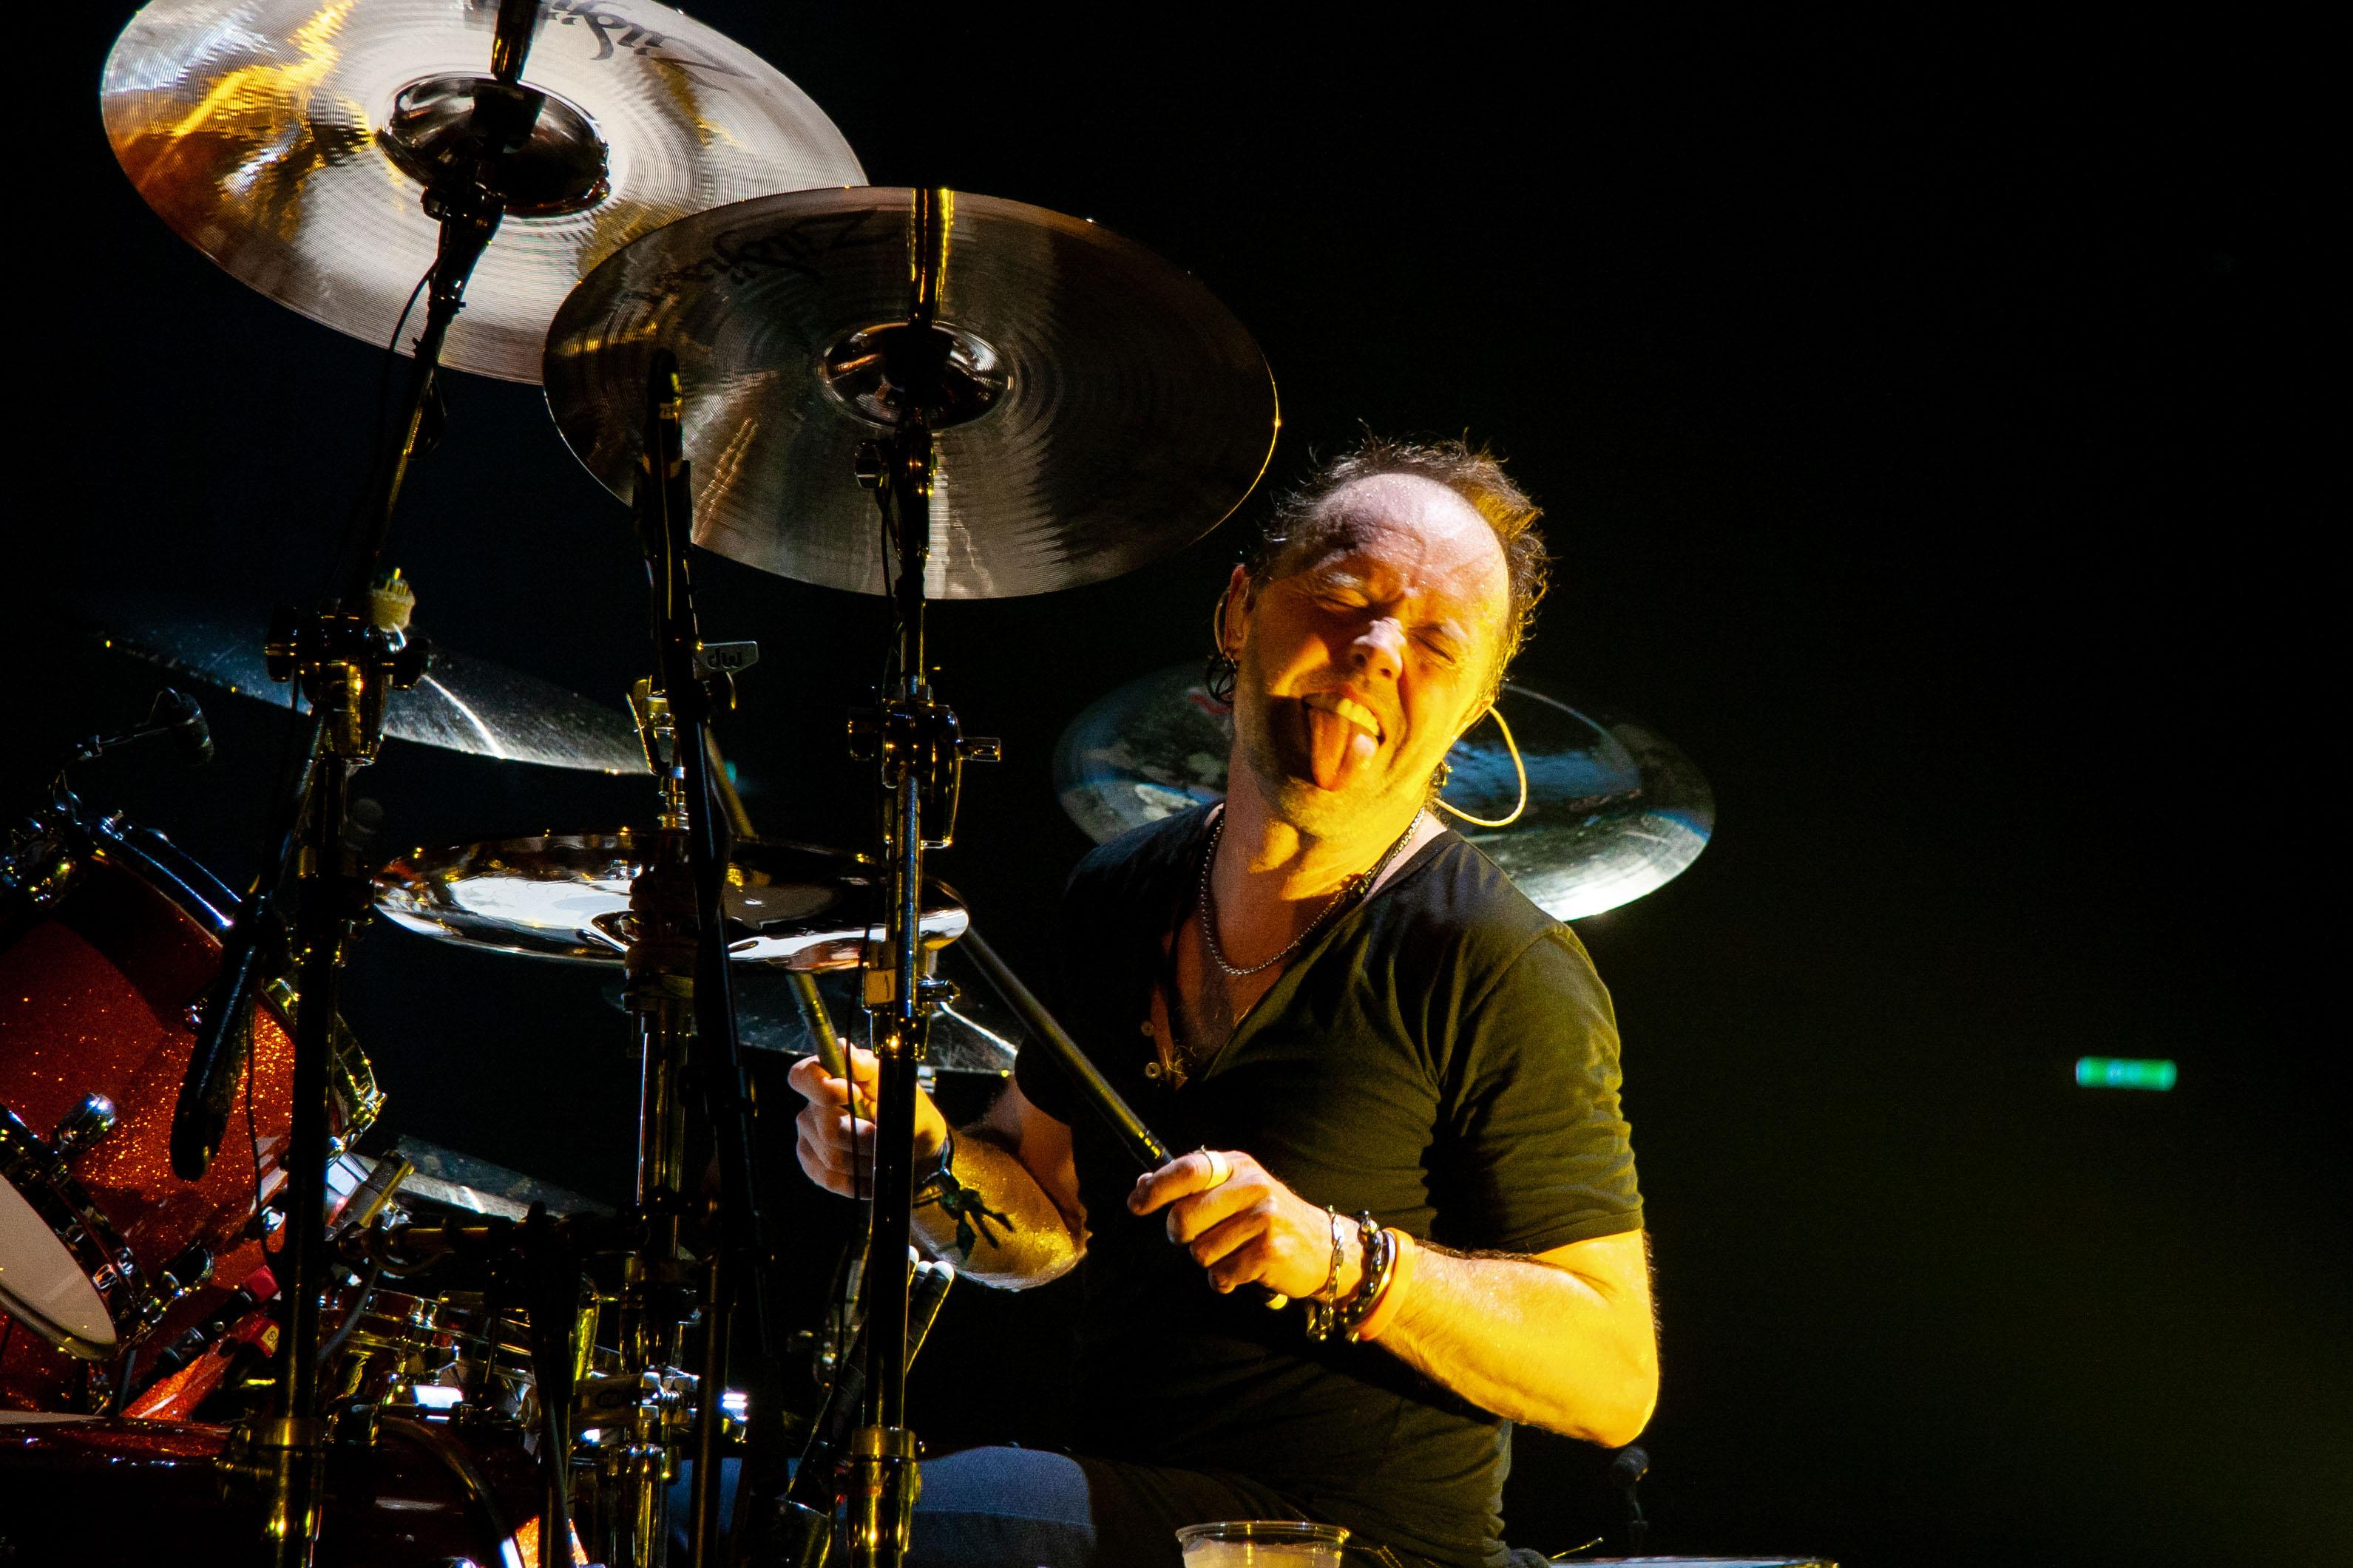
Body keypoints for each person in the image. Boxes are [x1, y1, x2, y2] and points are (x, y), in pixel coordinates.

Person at [789, 435, 1656, 1567]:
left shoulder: (1496, 960)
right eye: (1344, 597)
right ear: (1240, 609)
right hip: (1133, 1506)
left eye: (1438, 641)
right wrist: (924, 1167)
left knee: (916, 1526)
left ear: (1471, 710)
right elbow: (1043, 1217)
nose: (1378, 648)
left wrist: (1345, 1260)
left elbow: (1612, 1375)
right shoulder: (1118, 891)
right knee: (777, 1510)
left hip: (1363, 1547)